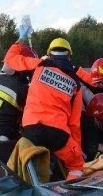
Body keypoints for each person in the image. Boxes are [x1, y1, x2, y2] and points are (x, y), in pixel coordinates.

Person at [18, 37, 86, 179]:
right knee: (77, 165)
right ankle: (68, 194)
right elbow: (74, 123)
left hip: (31, 128)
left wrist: (20, 41)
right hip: (58, 133)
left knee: (30, 164)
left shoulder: (39, 65)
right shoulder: (76, 83)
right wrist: (76, 149)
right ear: (69, 56)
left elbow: (11, 60)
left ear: (49, 54)